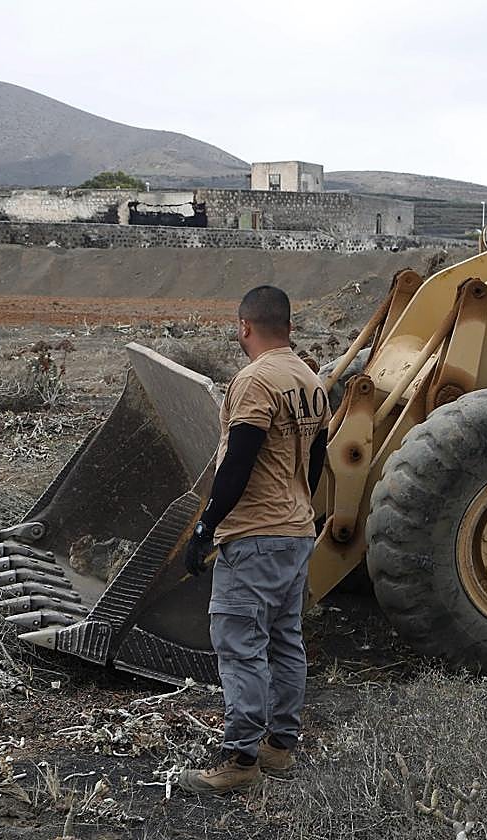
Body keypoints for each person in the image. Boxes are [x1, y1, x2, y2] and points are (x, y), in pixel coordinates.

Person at [176, 285, 330, 795]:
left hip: (255, 536)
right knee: (286, 640)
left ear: (244, 326)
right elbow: (315, 463)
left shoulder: (254, 382)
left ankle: (240, 759)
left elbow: (239, 460)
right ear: (287, 325)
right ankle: (279, 748)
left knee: (240, 644)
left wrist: (206, 526)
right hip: (296, 533)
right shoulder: (310, 380)